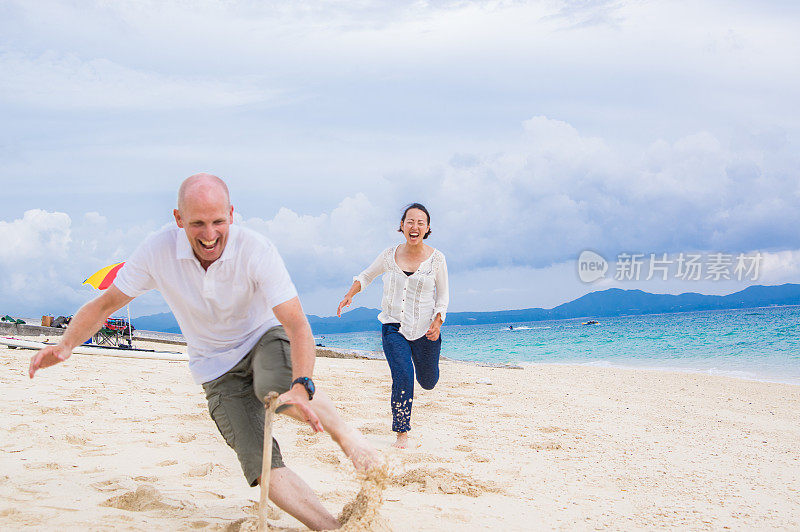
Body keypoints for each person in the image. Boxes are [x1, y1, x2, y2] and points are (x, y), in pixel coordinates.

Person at [29, 173, 380, 531]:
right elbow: (106, 304)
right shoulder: (157, 251)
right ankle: (331, 528)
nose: (209, 234)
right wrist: (65, 344)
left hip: (264, 337)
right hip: (215, 370)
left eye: (218, 222)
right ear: (178, 218)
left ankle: (347, 436)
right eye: (197, 223)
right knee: (259, 463)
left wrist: (301, 385)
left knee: (274, 391)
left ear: (231, 213)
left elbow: (297, 325)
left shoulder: (255, 250)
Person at [337, 203, 448, 449]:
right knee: (403, 376)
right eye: (410, 221)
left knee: (428, 381)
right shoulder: (389, 255)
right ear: (401, 226)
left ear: (428, 228)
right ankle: (401, 432)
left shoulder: (437, 260)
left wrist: (437, 322)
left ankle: (430, 363)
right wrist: (350, 294)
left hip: (425, 331)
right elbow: (366, 275)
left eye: (420, 223)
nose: (414, 226)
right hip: (393, 327)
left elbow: (443, 297)